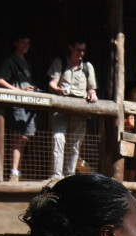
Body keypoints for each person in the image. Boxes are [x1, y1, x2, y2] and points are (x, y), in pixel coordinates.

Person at [46, 39, 98, 180]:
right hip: (61, 108)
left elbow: (91, 89)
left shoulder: (88, 67)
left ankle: (69, 177)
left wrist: (92, 95)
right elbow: (52, 83)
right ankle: (56, 176)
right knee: (58, 138)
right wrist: (58, 89)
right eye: (78, 50)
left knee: (75, 143)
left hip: (80, 110)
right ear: (71, 48)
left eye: (83, 50)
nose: (81, 53)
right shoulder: (60, 62)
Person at [0, 33, 38, 183]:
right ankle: (13, 173)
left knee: (25, 138)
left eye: (28, 43)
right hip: (18, 104)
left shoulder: (26, 62)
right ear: (15, 43)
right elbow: (0, 80)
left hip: (29, 104)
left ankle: (18, 172)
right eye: (23, 42)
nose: (26, 45)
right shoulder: (10, 61)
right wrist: (19, 91)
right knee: (18, 137)